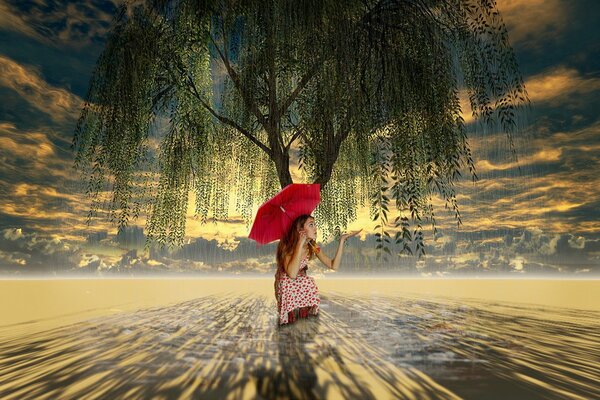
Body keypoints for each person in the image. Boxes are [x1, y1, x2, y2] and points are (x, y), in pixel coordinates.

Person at [274, 214, 362, 325]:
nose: (315, 228)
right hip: (285, 280)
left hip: (299, 278)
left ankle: (303, 314)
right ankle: (291, 315)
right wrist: (300, 244)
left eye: (315, 225)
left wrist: (342, 241)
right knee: (290, 283)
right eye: (311, 225)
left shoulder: (313, 246)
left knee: (309, 282)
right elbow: (291, 274)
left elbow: (333, 265)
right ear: (300, 230)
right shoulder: (287, 246)